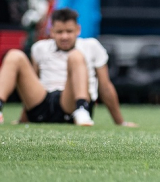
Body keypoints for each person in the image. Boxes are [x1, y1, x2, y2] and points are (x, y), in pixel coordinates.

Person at [0, 8, 136, 127]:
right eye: (59, 32)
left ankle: (81, 111)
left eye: (69, 31)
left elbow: (105, 87)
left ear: (78, 30)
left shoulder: (91, 46)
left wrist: (120, 122)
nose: (64, 36)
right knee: (14, 55)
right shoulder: (39, 48)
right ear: (51, 31)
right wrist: (23, 119)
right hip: (42, 104)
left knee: (75, 56)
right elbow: (32, 83)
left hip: (71, 104)